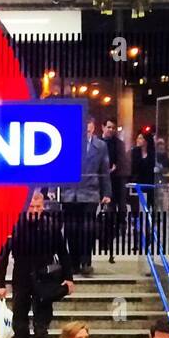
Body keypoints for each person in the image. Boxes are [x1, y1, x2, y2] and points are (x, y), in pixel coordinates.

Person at [0, 189, 75, 338]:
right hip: (21, 278)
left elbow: (63, 252)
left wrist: (69, 277)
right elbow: (3, 256)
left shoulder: (51, 226)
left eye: (38, 207)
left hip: (45, 280)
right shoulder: (14, 226)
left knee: (41, 325)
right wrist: (0, 284)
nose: (34, 210)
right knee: (19, 324)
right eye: (31, 207)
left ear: (43, 207)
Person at [60, 117, 111, 275]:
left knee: (87, 229)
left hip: (90, 191)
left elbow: (104, 170)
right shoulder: (68, 143)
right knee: (70, 229)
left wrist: (107, 192)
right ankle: (73, 262)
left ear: (93, 129)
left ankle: (85, 261)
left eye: (88, 130)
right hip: (70, 193)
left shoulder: (101, 146)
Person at [101, 120, 126, 262]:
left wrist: (114, 169)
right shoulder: (97, 143)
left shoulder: (118, 144)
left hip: (115, 182)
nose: (111, 130)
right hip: (100, 181)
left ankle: (110, 239)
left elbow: (122, 162)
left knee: (113, 213)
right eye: (108, 127)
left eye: (113, 128)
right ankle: (104, 238)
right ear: (103, 127)